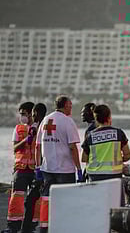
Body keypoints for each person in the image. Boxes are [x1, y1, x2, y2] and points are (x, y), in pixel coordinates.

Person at [35, 96, 83, 233]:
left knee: (46, 198)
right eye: (70, 105)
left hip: (47, 168)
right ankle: (63, 227)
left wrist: (38, 167)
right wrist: (79, 169)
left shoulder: (45, 120)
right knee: (66, 200)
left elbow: (37, 146)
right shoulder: (68, 122)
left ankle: (44, 227)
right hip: (65, 169)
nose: (71, 108)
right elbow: (73, 148)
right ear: (65, 105)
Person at [81, 105, 130, 187]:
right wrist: (118, 160)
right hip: (114, 175)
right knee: (115, 199)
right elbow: (128, 155)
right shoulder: (119, 133)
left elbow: (84, 158)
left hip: (95, 177)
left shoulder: (90, 136)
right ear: (109, 117)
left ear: (96, 119)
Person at [4, 102, 35, 233]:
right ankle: (13, 226)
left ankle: (32, 227)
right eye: (21, 114)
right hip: (21, 168)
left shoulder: (40, 128)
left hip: (35, 168)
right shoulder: (18, 128)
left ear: (31, 113)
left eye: (23, 113)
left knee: (35, 200)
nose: (21, 116)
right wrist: (25, 140)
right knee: (16, 197)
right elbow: (15, 148)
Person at [21, 103, 47, 233]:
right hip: (45, 168)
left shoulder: (39, 126)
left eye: (33, 113)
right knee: (40, 199)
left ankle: (27, 229)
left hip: (41, 169)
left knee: (31, 200)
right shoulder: (46, 125)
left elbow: (37, 147)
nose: (32, 115)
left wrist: (38, 168)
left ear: (36, 113)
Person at [80, 102, 96, 182]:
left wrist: (85, 172)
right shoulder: (96, 125)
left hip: (93, 168)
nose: (81, 114)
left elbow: (87, 154)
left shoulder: (90, 129)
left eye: (84, 112)